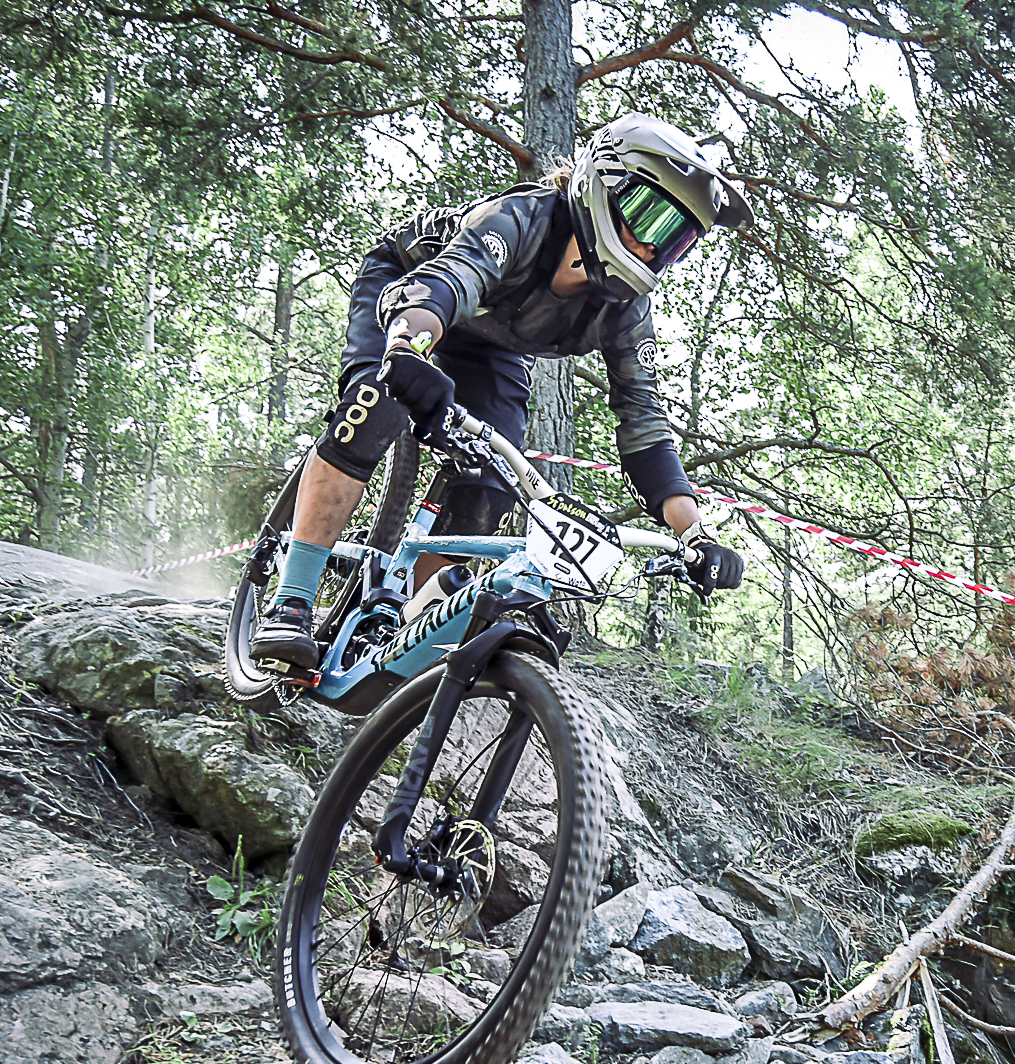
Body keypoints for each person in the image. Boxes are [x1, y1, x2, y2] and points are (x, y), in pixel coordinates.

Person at [250, 114, 749, 670]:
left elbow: (646, 425)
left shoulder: (626, 309)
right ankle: (291, 600)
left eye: (676, 238)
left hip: (492, 344)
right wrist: (407, 350)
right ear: (604, 186)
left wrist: (695, 534)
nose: (655, 248)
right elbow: (448, 282)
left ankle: (410, 633)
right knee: (376, 404)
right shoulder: (521, 220)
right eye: (650, 218)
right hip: (412, 292)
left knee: (492, 483)